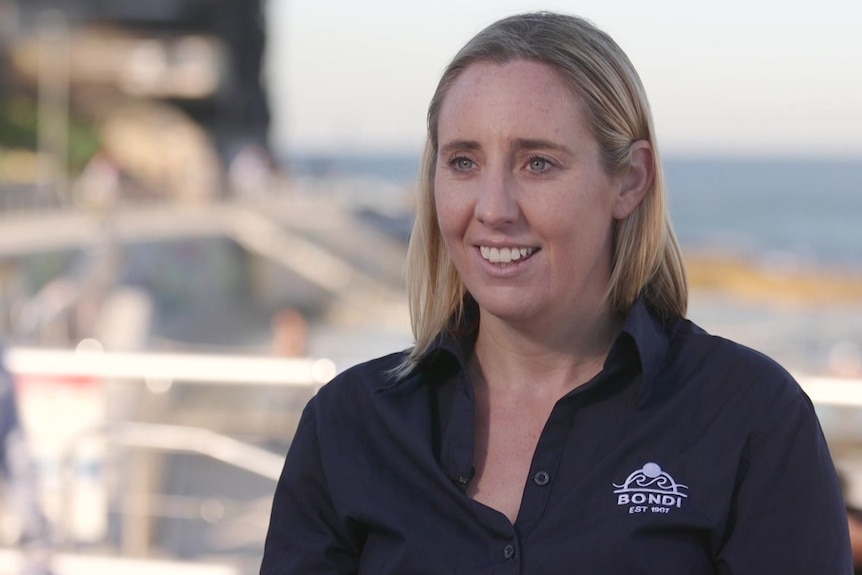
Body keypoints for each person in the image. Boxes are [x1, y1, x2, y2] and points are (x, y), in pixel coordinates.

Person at [261, 12, 852, 574]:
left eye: (538, 164)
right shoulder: (349, 425)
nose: (492, 210)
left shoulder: (751, 419)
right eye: (463, 162)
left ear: (630, 180)